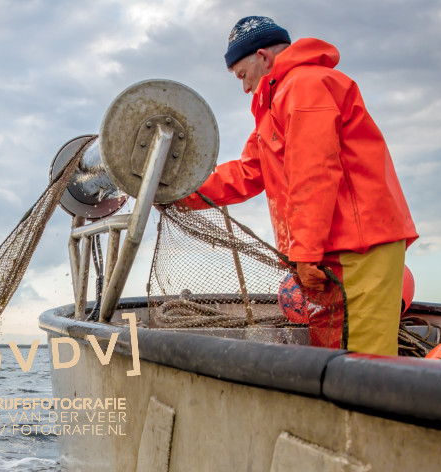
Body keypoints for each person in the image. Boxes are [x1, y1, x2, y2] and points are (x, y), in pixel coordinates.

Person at [176, 16, 417, 355]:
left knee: (366, 365)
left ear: (263, 57)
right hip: (325, 255)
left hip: (358, 249)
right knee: (330, 358)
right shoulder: (274, 105)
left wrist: (304, 254)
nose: (245, 88)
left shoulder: (306, 86)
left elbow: (313, 173)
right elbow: (246, 172)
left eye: (243, 75)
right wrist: (178, 194)